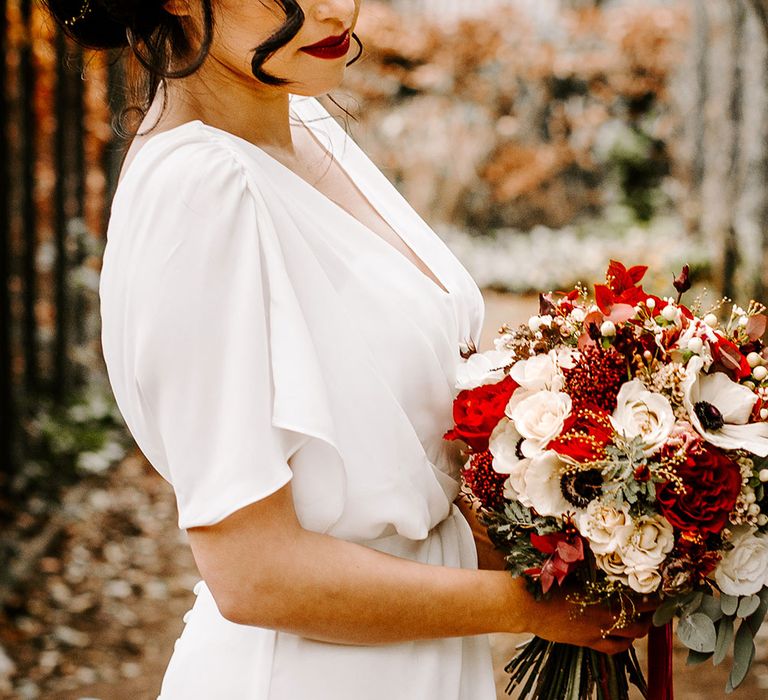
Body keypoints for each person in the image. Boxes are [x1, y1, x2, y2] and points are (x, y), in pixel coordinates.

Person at [43, 0, 654, 697]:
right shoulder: (199, 191)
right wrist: (529, 607)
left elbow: (393, 476)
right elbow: (254, 573)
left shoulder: (302, 121)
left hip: (413, 662)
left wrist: (609, 536)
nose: (338, 7)